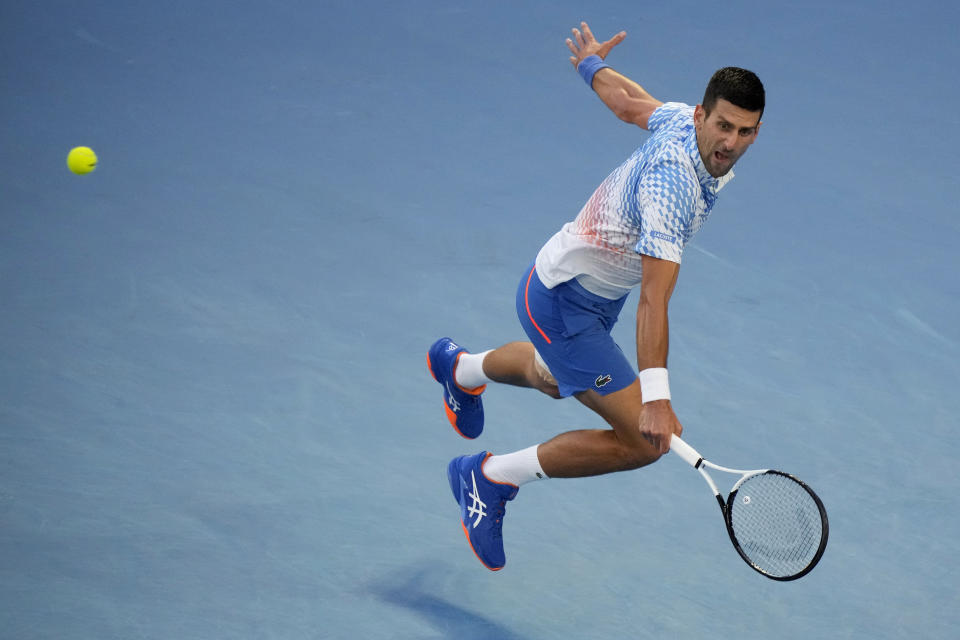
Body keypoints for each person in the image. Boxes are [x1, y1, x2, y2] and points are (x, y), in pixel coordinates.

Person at [427, 21, 764, 571]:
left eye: (745, 132)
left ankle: (459, 368)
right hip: (561, 301)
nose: (730, 143)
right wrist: (655, 398)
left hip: (586, 292)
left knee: (552, 375)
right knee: (641, 441)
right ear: (703, 116)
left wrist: (590, 66)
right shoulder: (670, 188)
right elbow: (656, 299)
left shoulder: (684, 121)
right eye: (723, 126)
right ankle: (489, 478)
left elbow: (630, 104)